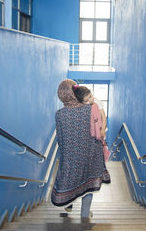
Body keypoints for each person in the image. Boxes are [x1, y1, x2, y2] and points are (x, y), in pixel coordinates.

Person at [51, 79, 111, 220]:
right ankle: (85, 214)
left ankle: (69, 203)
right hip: (91, 154)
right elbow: (100, 129)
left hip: (71, 156)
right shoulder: (90, 109)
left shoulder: (59, 114)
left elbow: (60, 139)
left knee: (73, 180)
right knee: (88, 182)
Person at [72, 85, 110, 162]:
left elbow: (103, 117)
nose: (90, 100)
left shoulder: (96, 102)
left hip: (99, 129)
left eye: (90, 96)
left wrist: (102, 129)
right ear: (81, 102)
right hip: (88, 133)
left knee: (100, 148)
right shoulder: (81, 107)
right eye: (87, 100)